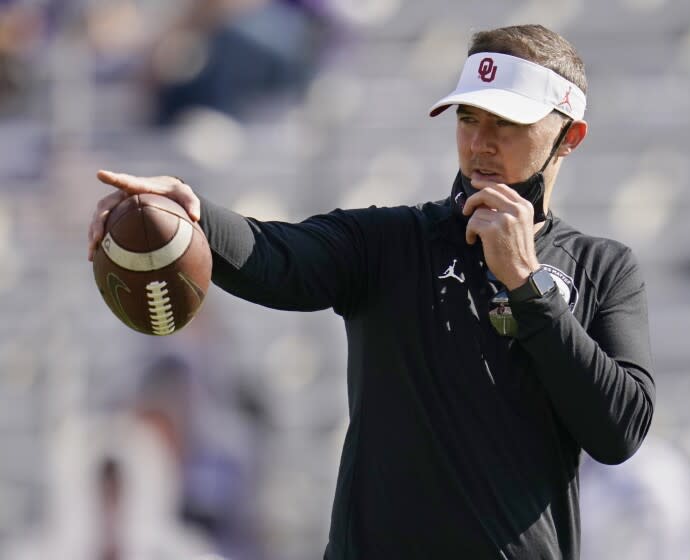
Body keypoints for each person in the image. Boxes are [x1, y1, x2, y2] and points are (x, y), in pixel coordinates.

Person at [87, 24, 655, 560]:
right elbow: (275, 256)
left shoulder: (603, 268)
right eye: (468, 118)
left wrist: (528, 289)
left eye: (505, 123)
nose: (480, 143)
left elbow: (618, 432)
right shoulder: (391, 242)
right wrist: (188, 213)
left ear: (569, 136)